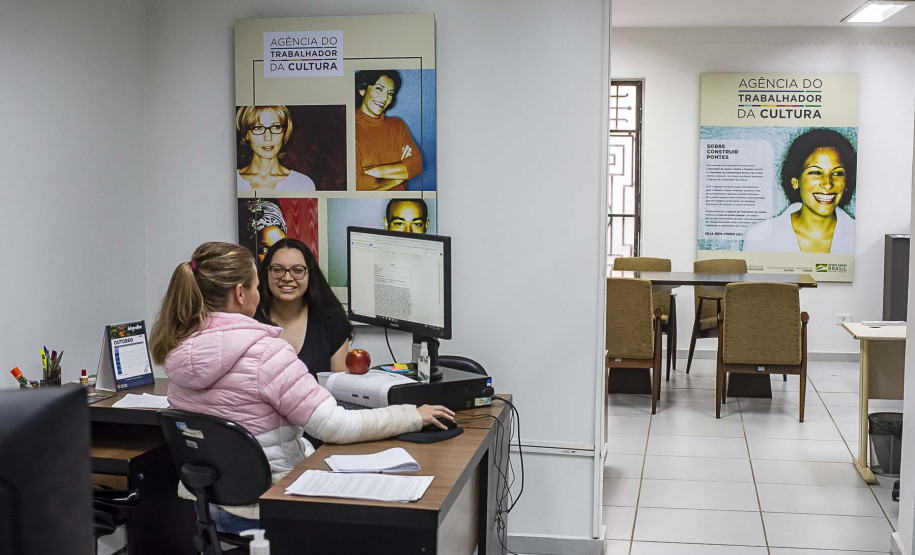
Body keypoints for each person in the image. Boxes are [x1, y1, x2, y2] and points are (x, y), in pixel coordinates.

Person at [149, 242, 453, 533]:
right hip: (268, 507)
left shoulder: (177, 349)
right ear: (241, 293)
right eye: (256, 285)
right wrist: (412, 415)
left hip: (208, 506)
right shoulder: (267, 353)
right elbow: (335, 426)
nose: (260, 292)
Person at [742, 128, 856, 254]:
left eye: (837, 173)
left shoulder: (859, 237)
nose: (828, 184)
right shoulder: (758, 238)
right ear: (795, 181)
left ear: (846, 183)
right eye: (816, 172)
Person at [256, 238, 351, 376]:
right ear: (266, 273)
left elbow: (338, 388)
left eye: (297, 270)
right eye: (277, 269)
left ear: (309, 274)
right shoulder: (250, 320)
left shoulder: (332, 322)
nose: (287, 277)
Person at [355, 70, 423, 191]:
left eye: (390, 93)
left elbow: (417, 164)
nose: (385, 98)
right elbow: (360, 185)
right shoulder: (347, 129)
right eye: (379, 89)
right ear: (362, 90)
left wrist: (378, 171)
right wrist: (402, 175)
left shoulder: (397, 125)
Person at [236, 105, 316, 192]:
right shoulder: (231, 181)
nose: (268, 137)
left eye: (276, 127)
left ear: (284, 132)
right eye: (258, 128)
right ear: (246, 134)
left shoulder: (303, 184)